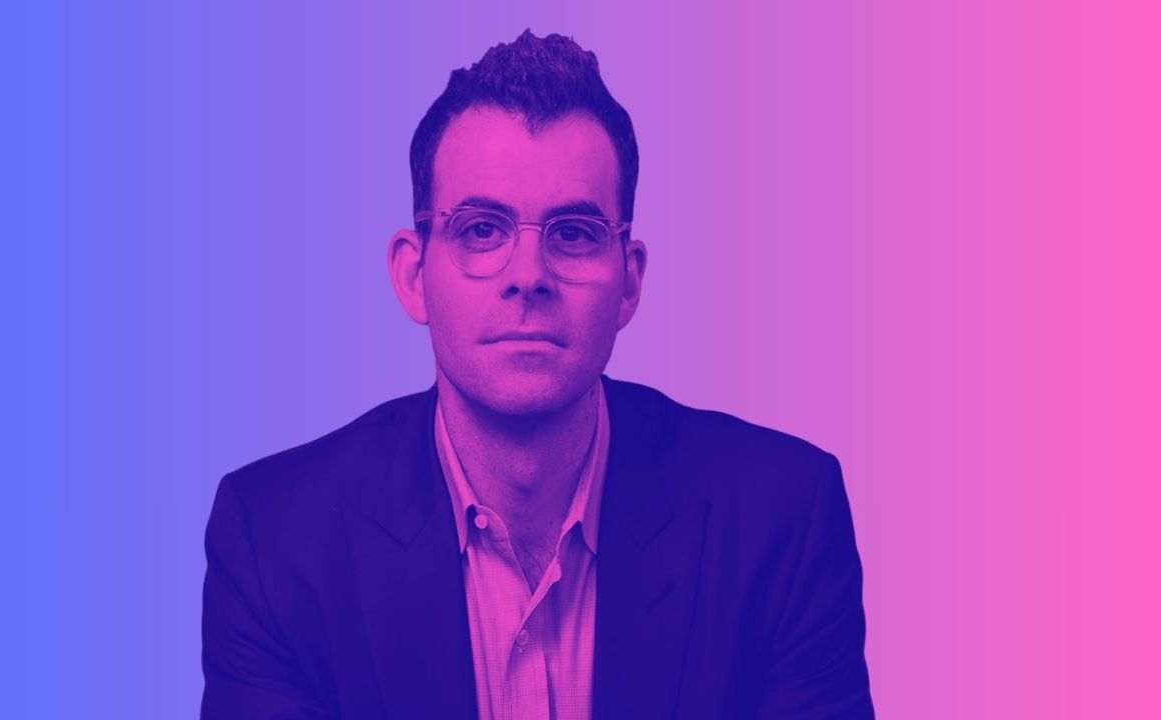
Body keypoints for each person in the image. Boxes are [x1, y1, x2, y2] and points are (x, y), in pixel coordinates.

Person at [201, 29, 875, 720]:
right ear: (413, 275)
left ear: (629, 283)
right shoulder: (274, 543)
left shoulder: (782, 519)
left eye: (573, 233)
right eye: (481, 229)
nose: (528, 276)